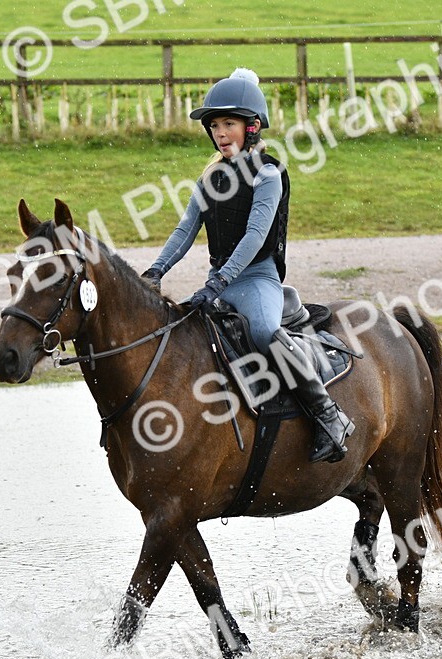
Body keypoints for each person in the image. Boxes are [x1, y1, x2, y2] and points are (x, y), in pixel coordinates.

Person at [141, 68, 355, 463]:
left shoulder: (268, 175)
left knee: (262, 329)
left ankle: (329, 415)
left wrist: (219, 281)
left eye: (229, 124)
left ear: (252, 127)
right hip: (218, 281)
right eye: (215, 126)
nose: (220, 133)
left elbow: (254, 237)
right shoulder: (209, 180)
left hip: (257, 279)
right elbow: (184, 231)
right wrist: (155, 272)